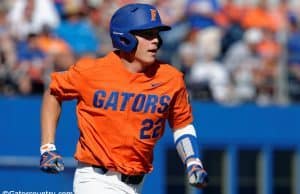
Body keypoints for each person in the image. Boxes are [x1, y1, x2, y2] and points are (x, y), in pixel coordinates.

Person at [39, 3, 208, 194]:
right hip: (95, 179)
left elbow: (181, 125)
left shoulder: (171, 78)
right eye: (147, 34)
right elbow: (53, 92)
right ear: (124, 37)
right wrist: (47, 147)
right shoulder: (92, 71)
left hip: (136, 183)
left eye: (156, 34)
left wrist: (193, 161)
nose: (155, 41)